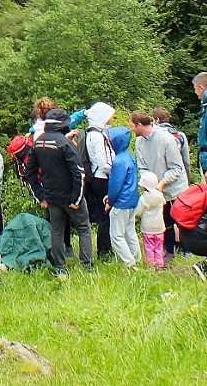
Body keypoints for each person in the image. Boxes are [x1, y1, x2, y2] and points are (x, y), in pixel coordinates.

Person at [24, 108, 93, 276]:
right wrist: (76, 200)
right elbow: (79, 172)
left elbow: (30, 173)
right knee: (84, 228)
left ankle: (60, 268)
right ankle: (87, 268)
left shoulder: (38, 142)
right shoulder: (64, 143)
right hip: (70, 196)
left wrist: (41, 196)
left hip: (51, 197)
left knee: (57, 231)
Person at [130, 110, 189, 261]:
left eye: (132, 126)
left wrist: (161, 184)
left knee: (181, 221)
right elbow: (142, 166)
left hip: (174, 188)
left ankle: (187, 250)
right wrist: (147, 183)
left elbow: (177, 168)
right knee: (164, 222)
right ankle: (167, 253)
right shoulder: (139, 141)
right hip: (155, 191)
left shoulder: (166, 139)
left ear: (140, 125)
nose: (131, 129)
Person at [82, 102, 116, 261]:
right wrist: (114, 172)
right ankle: (104, 250)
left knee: (105, 215)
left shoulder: (92, 132)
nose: (112, 119)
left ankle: (105, 248)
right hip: (102, 178)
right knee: (106, 216)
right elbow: (103, 161)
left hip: (97, 177)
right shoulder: (97, 135)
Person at [104, 125, 140, 268]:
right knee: (129, 231)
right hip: (132, 200)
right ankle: (136, 257)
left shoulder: (118, 161)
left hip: (121, 203)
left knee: (116, 235)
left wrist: (110, 201)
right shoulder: (129, 157)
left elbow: (116, 184)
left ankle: (129, 264)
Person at [136, 171, 167, 268]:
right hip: (159, 227)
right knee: (159, 247)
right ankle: (159, 264)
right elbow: (164, 203)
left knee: (149, 247)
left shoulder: (143, 199)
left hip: (147, 228)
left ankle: (150, 265)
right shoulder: (159, 196)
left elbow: (138, 213)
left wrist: (134, 220)